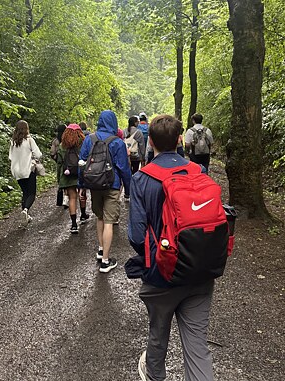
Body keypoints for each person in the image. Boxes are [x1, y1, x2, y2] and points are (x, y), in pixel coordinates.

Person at [127, 114, 214, 381]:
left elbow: (137, 236)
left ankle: (154, 375)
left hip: (161, 275)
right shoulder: (198, 172)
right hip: (200, 271)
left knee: (158, 334)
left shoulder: (142, 179)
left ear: (150, 142)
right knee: (197, 346)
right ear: (179, 140)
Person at [79, 110, 131, 273]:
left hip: (94, 185)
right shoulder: (118, 142)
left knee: (100, 217)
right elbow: (124, 168)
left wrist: (82, 185)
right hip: (112, 185)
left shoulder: (89, 139)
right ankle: (105, 261)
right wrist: (129, 189)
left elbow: (82, 163)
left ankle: (101, 249)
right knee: (109, 221)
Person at [9, 120, 42, 227]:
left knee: (25, 193)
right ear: (26, 129)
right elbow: (38, 154)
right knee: (32, 193)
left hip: (17, 171)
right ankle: (26, 210)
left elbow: (10, 157)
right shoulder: (29, 140)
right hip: (28, 170)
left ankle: (25, 216)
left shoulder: (13, 142)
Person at [57, 124, 89, 234]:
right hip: (80, 174)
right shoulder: (83, 144)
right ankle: (83, 215)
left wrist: (59, 180)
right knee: (82, 195)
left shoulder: (62, 146)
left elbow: (59, 164)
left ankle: (74, 225)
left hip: (68, 175)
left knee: (72, 198)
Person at [50, 124, 67, 206]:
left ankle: (59, 201)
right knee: (67, 180)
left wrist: (56, 159)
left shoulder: (55, 141)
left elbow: (52, 153)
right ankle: (66, 200)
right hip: (68, 163)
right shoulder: (67, 140)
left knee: (60, 180)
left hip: (59, 162)